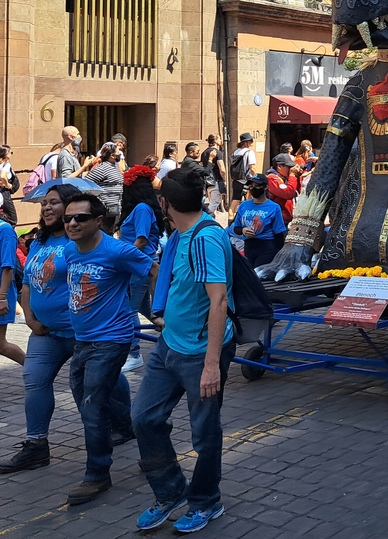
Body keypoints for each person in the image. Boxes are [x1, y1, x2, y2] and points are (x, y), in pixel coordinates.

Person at [132, 169, 236, 533]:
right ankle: (170, 490)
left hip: (199, 354)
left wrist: (211, 366)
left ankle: (207, 502)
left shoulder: (205, 238)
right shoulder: (183, 233)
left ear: (165, 203)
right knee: (144, 418)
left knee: (204, 433)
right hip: (169, 345)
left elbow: (218, 299)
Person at [63, 193, 153, 505]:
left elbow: (153, 271)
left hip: (111, 340)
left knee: (91, 404)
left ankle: (97, 474)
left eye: (81, 218)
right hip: (83, 340)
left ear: (98, 221)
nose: (72, 223)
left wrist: (163, 311)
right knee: (92, 399)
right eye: (68, 218)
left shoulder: (117, 251)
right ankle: (152, 448)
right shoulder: (70, 251)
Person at [0, 185, 79, 473]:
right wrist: (31, 320)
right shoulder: (38, 242)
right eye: (44, 203)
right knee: (34, 380)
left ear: (70, 207)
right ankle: (36, 447)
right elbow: (27, 285)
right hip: (45, 334)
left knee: (100, 386)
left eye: (54, 203)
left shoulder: (80, 241)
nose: (46, 208)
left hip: (81, 333)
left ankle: (122, 423)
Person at [117, 165, 165, 373]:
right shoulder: (140, 209)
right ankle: (167, 336)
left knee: (128, 311)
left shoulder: (142, 209)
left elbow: (142, 239)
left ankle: (134, 354)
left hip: (140, 265)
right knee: (148, 310)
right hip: (136, 265)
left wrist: (120, 255)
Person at [232, 174, 286, 267]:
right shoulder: (243, 205)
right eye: (251, 186)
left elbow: (279, 232)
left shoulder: (274, 207)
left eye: (257, 186)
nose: (253, 189)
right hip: (249, 246)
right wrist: (243, 230)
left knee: (259, 275)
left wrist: (279, 254)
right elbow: (236, 227)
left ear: (265, 187)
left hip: (266, 247)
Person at [0, 211, 24, 365]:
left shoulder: (5, 230)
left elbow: (8, 266)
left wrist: (2, 297)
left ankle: (35, 373)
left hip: (1, 292)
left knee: (0, 344)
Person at [84, 142, 124, 233]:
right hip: (105, 209)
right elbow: (87, 183)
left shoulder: (114, 167)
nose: (120, 155)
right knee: (104, 233)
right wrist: (99, 200)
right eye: (118, 153)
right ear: (112, 156)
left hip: (114, 208)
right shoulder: (102, 168)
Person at [229, 132, 257, 220]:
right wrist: (256, 178)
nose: (251, 142)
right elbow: (252, 168)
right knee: (249, 202)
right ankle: (248, 220)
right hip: (247, 181)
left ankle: (230, 221)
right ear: (246, 142)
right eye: (250, 141)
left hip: (236, 180)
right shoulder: (249, 152)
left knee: (234, 203)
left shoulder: (235, 152)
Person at [266, 153, 300, 224]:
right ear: (279, 166)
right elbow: (288, 193)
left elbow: (295, 191)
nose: (290, 169)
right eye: (288, 167)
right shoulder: (272, 178)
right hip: (276, 221)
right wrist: (292, 175)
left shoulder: (283, 178)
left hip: (284, 220)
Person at [200, 134, 227, 213]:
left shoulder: (204, 153)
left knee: (212, 202)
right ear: (215, 141)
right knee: (215, 202)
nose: (221, 140)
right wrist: (224, 179)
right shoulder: (218, 153)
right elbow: (222, 169)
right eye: (219, 138)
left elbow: (202, 166)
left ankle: (212, 221)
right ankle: (205, 218)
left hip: (207, 182)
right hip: (216, 180)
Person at [0, 145, 18, 223]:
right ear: (6, 153)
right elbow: (2, 176)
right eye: (11, 152)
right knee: (12, 219)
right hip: (4, 193)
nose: (11, 154)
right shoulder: (6, 164)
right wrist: (8, 185)